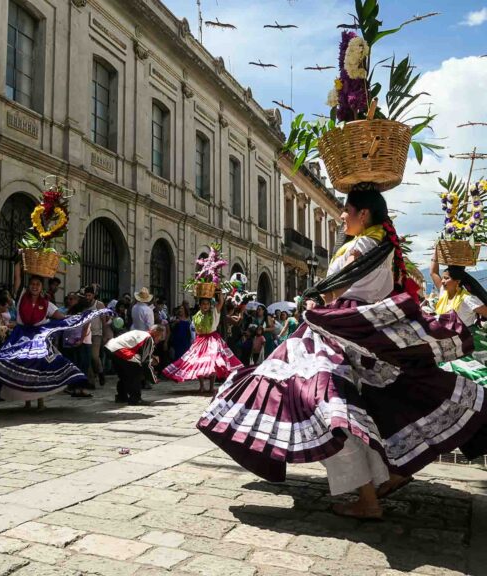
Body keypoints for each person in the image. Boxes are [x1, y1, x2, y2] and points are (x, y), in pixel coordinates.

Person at [197, 186, 487, 521]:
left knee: (323, 405)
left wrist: (317, 301)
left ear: (363, 214)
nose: (341, 215)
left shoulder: (362, 245)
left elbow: (339, 284)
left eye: (346, 210)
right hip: (355, 329)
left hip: (337, 326)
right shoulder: (384, 246)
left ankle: (368, 496)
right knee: (347, 407)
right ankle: (382, 479)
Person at [0, 261, 110, 409]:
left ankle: (40, 402)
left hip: (39, 339)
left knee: (40, 369)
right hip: (22, 336)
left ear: (41, 288)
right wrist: (18, 261)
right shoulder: (20, 297)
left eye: (38, 285)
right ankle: (26, 402)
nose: (34, 287)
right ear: (28, 285)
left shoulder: (46, 303)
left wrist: (77, 318)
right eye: (32, 284)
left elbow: (59, 316)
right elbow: (17, 280)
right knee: (21, 367)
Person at [164, 294, 242, 393]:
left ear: (210, 305)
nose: (205, 306)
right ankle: (201, 386)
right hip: (200, 340)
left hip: (212, 339)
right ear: (200, 305)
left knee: (212, 362)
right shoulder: (196, 316)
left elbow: (221, 303)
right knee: (199, 362)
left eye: (207, 304)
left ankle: (211, 386)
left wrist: (219, 291)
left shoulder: (214, 312)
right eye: (203, 304)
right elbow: (194, 330)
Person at [430, 256, 487, 386]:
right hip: (445, 340)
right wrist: (436, 252)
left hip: (466, 340)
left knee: (470, 372)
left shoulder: (468, 299)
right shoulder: (443, 292)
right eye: (443, 278)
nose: (443, 281)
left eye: (446, 278)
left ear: (457, 281)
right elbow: (433, 272)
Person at [105, 325, 165, 406]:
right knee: (136, 372)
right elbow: (145, 362)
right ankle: (135, 399)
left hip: (110, 347)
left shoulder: (142, 334)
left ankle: (121, 396)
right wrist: (153, 378)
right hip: (119, 350)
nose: (160, 339)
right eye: (160, 336)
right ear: (156, 333)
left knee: (125, 374)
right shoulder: (149, 338)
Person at [83, 285, 107, 388]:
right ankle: (91, 381)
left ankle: (100, 372)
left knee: (94, 357)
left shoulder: (99, 304)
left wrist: (105, 335)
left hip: (97, 334)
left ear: (93, 295)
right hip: (86, 334)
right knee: (87, 358)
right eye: (86, 295)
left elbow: (104, 321)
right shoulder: (83, 305)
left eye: (89, 295)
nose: (87, 297)